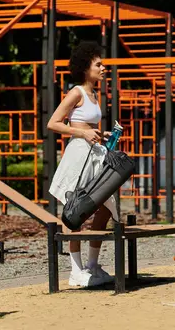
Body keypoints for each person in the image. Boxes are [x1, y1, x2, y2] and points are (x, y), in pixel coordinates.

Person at [47, 41, 117, 287]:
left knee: (106, 206)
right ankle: (75, 270)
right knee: (74, 211)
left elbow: (86, 124)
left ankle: (92, 265)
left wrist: (100, 133)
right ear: (85, 67)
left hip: (94, 153)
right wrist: (82, 134)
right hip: (79, 154)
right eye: (98, 64)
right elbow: (53, 123)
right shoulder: (76, 92)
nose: (103, 67)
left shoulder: (95, 94)